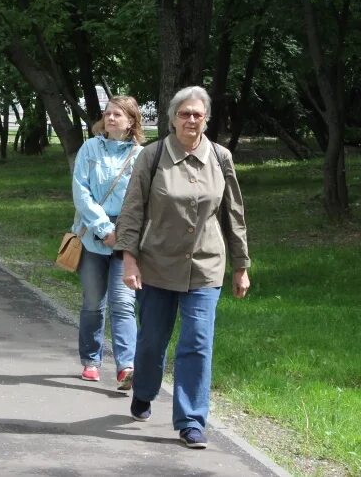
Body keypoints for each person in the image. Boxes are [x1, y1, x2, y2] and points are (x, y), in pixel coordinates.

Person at [115, 85, 250, 450]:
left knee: (198, 342)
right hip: (156, 264)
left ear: (206, 118)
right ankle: (143, 391)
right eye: (184, 113)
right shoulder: (153, 156)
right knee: (152, 341)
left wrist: (241, 265)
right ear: (172, 117)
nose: (191, 119)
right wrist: (129, 258)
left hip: (205, 266)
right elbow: (132, 209)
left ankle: (191, 421)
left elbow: (233, 215)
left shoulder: (221, 158)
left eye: (197, 114)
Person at [70, 96, 145, 389]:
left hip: (126, 238)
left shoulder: (141, 156)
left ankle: (127, 366)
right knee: (93, 303)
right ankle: (91, 359)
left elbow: (141, 200)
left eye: (118, 115)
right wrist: (104, 229)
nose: (111, 118)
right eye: (108, 114)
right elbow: (81, 192)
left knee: (124, 304)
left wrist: (122, 233)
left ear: (131, 122)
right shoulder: (89, 149)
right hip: (92, 237)